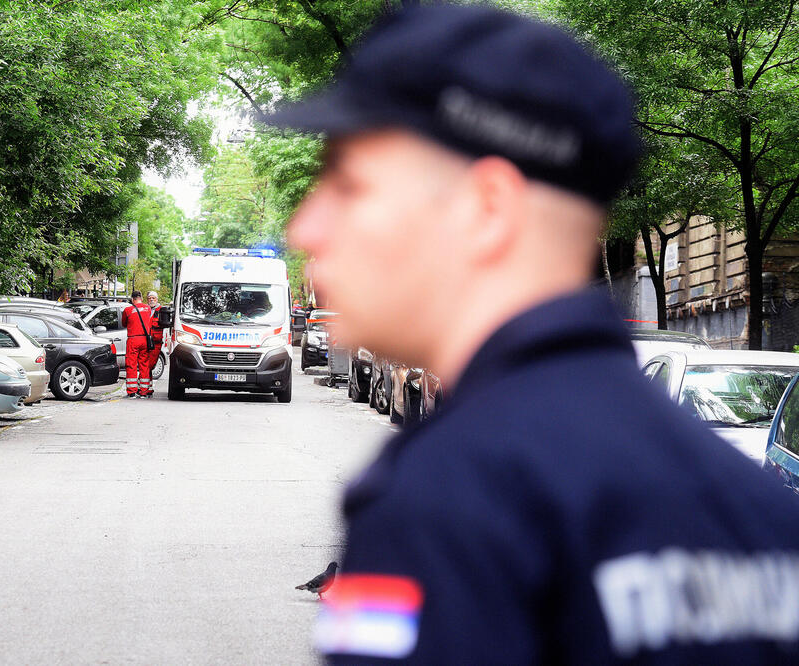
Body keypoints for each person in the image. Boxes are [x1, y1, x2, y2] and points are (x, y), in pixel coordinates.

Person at [269, 5, 799, 663]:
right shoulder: (759, 512)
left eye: (349, 186)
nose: (306, 229)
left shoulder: (445, 500)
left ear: (487, 209)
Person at [121, 290, 154, 398]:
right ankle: (144, 391)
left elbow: (124, 323)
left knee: (131, 364)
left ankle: (131, 391)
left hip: (133, 339)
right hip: (145, 340)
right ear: (141, 298)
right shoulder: (147, 308)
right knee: (144, 364)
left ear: (132, 299)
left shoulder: (128, 310)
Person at [146, 291, 163, 378]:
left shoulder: (161, 311)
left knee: (151, 364)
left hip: (156, 342)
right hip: (145, 341)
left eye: (153, 298)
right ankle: (146, 386)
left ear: (157, 299)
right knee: (145, 365)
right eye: (150, 298)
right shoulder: (145, 310)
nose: (151, 300)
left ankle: (145, 384)